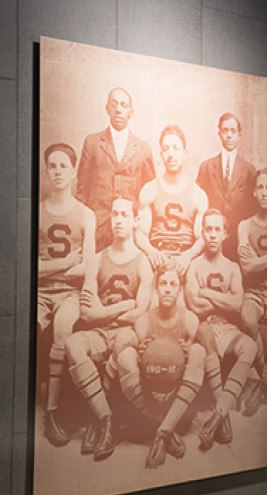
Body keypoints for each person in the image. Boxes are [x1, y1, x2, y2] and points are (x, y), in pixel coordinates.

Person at [64, 196, 153, 461]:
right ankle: (105, 419)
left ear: (136, 220)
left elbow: (140, 312)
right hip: (100, 332)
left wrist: (105, 311)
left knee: (125, 348)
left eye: (125, 215)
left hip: (126, 333)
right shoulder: (96, 259)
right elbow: (88, 314)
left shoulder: (143, 262)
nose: (119, 220)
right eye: (115, 214)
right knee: (73, 344)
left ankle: (110, 422)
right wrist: (119, 307)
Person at [37, 143, 97, 447]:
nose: (58, 171)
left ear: (73, 171)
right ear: (46, 171)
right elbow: (28, 272)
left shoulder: (86, 214)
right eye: (53, 166)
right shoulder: (37, 211)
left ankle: (52, 413)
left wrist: (47, 268)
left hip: (69, 295)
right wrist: (62, 264)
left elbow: (86, 268)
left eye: (64, 165)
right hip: (38, 294)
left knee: (62, 328)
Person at [116, 267, 205, 468]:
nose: (167, 289)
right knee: (125, 356)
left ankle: (164, 431)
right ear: (156, 289)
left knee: (199, 351)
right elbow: (140, 366)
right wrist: (143, 352)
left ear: (180, 290)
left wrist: (186, 350)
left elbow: (192, 363)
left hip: (179, 403)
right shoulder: (143, 321)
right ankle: (163, 428)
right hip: (148, 401)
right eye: (163, 284)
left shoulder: (190, 320)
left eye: (173, 284)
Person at [185, 209, 259, 451]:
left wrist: (207, 293)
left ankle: (217, 416)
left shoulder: (233, 267)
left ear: (226, 233)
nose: (213, 235)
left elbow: (237, 304)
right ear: (202, 232)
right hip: (203, 327)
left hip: (226, 327)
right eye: (208, 229)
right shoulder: (194, 265)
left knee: (249, 346)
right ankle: (223, 417)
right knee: (205, 337)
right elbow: (195, 305)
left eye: (218, 229)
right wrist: (222, 298)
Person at [77, 87, 155, 252]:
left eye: (123, 105)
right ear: (107, 109)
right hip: (98, 227)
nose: (118, 110)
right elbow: (82, 191)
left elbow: (149, 194)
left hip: (131, 230)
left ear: (131, 111)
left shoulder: (143, 148)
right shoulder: (92, 143)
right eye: (114, 104)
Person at [136, 125, 208, 276]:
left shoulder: (198, 194)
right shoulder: (149, 190)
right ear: (161, 154)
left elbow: (201, 237)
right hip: (156, 258)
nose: (171, 154)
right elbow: (141, 232)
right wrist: (151, 251)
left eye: (176, 148)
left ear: (185, 153)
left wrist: (187, 256)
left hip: (185, 261)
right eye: (166, 148)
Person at [238, 168, 267, 412]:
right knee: (246, 318)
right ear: (254, 192)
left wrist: (257, 262)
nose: (264, 192)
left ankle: (262, 384)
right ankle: (266, 378)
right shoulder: (244, 226)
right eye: (260, 188)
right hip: (253, 293)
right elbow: (246, 268)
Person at [196, 113, 258, 262]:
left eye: (233, 131)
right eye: (225, 131)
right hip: (210, 238)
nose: (229, 135)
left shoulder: (249, 171)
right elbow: (197, 204)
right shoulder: (206, 167)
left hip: (236, 240)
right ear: (219, 134)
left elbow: (252, 210)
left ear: (239, 135)